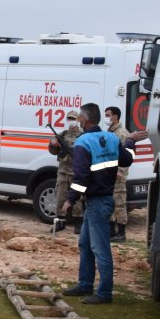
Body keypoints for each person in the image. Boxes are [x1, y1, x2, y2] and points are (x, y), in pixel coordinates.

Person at [60, 103, 136, 304]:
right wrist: (130, 142)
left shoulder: (83, 142)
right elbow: (127, 160)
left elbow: (81, 178)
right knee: (85, 244)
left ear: (84, 120)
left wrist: (69, 200)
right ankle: (85, 285)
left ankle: (104, 293)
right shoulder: (112, 138)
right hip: (103, 200)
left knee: (100, 248)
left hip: (97, 202)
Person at [47, 110, 83, 232]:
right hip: (63, 170)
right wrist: (53, 145)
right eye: (69, 118)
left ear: (78, 120)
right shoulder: (63, 134)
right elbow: (53, 151)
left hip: (76, 171)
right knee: (60, 195)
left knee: (77, 198)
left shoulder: (82, 135)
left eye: (73, 118)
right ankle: (60, 221)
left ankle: (78, 222)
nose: (71, 121)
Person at [105, 105, 130, 243]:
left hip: (118, 175)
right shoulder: (110, 131)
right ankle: (111, 231)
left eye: (108, 115)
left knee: (119, 202)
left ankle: (121, 232)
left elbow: (125, 155)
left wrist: (120, 171)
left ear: (115, 116)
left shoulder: (122, 133)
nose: (106, 118)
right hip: (109, 173)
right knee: (110, 202)